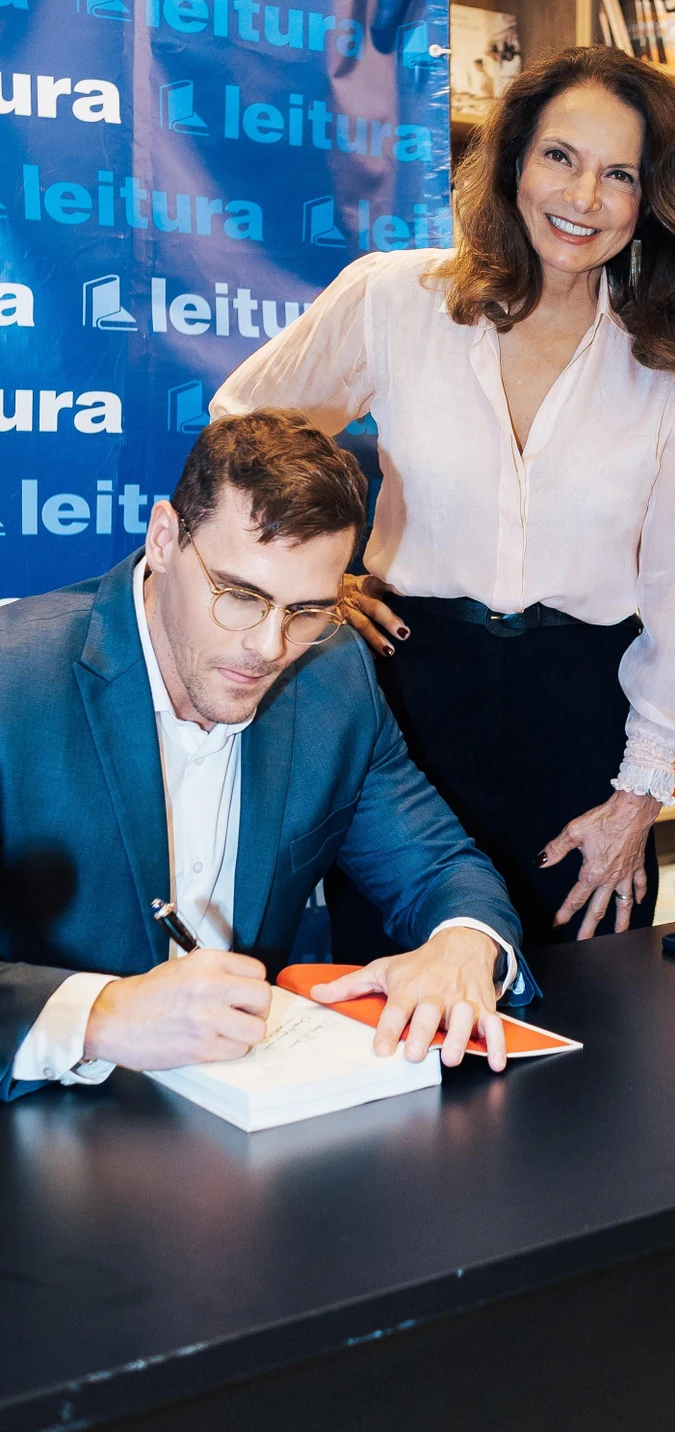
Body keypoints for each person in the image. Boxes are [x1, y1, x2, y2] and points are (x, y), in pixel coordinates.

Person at [212, 46, 675, 948]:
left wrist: (641, 793)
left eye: (620, 175)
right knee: (398, 996)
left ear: (651, 202)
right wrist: (318, 590)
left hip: (585, 719)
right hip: (409, 701)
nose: (582, 199)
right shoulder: (397, 299)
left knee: (588, 1016)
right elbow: (244, 426)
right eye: (560, 157)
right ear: (514, 159)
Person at [0, 411, 528, 1104]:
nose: (271, 648)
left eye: (308, 610)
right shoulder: (16, 679)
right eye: (241, 597)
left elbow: (438, 867)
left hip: (246, 1129)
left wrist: (464, 944)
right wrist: (101, 1016)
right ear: (164, 539)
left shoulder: (333, 677)